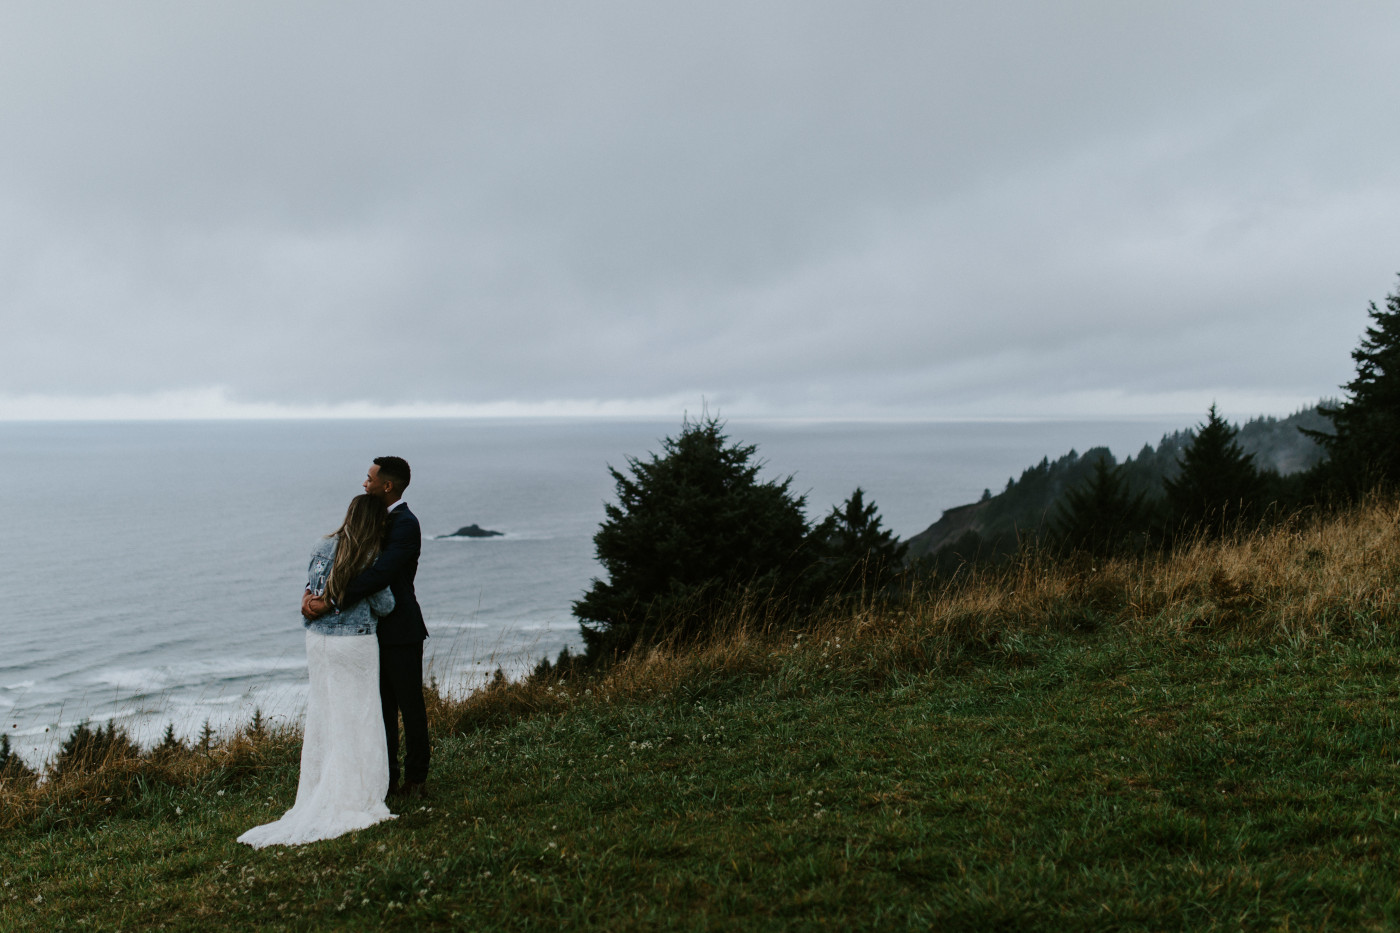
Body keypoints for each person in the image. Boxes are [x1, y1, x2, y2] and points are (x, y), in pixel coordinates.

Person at [239, 494, 397, 848]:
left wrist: (310, 602)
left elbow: (311, 590)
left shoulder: (321, 545)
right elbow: (385, 605)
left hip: (318, 642)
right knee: (358, 716)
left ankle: (321, 786)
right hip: (353, 645)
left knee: (326, 713)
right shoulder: (370, 557)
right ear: (375, 523)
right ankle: (353, 794)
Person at [303, 456, 430, 799]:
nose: (364, 483)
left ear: (387, 485)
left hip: (401, 629)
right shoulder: (372, 520)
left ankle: (416, 781)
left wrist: (329, 599)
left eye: (370, 478)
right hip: (369, 631)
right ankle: (386, 780)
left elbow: (380, 575)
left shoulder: (405, 523)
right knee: (380, 709)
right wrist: (311, 589)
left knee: (410, 706)